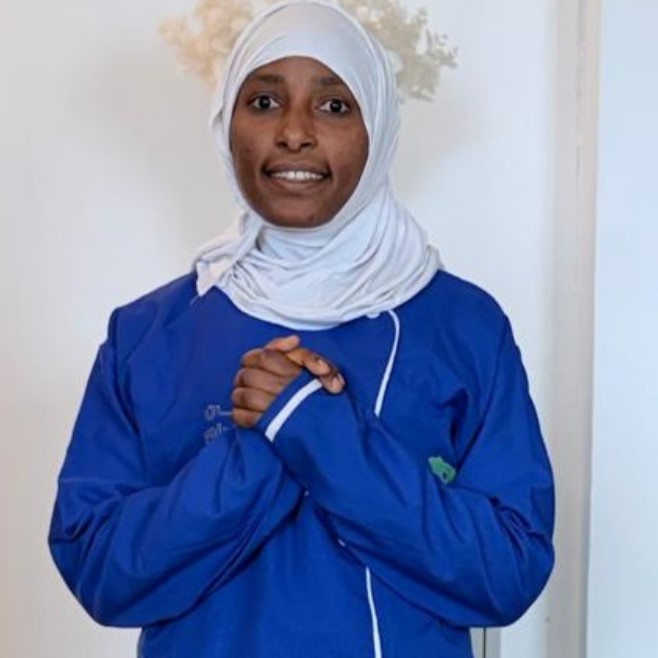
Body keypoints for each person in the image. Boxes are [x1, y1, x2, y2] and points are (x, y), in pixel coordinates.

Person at [48, 1, 555, 657]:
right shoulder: (147, 335)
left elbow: (507, 573)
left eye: (334, 105)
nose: (294, 132)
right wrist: (260, 451)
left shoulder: (462, 326)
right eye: (263, 102)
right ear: (225, 124)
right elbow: (101, 572)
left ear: (379, 127)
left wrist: (317, 431)